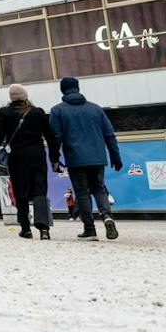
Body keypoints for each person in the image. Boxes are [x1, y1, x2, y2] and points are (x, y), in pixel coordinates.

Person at [48, 75, 122, 241]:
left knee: (82, 192)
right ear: (78, 88)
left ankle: (90, 229)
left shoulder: (57, 110)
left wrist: (54, 159)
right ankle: (107, 216)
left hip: (76, 159)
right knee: (99, 188)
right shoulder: (95, 109)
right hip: (98, 158)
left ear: (62, 90)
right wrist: (115, 156)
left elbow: (55, 138)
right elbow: (109, 134)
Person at [0, 83, 60, 240]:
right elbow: (50, 137)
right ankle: (44, 228)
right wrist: (54, 158)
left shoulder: (5, 113)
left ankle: (25, 228)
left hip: (17, 156)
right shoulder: (37, 112)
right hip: (37, 155)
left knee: (20, 191)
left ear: (11, 98)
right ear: (26, 96)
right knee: (40, 189)